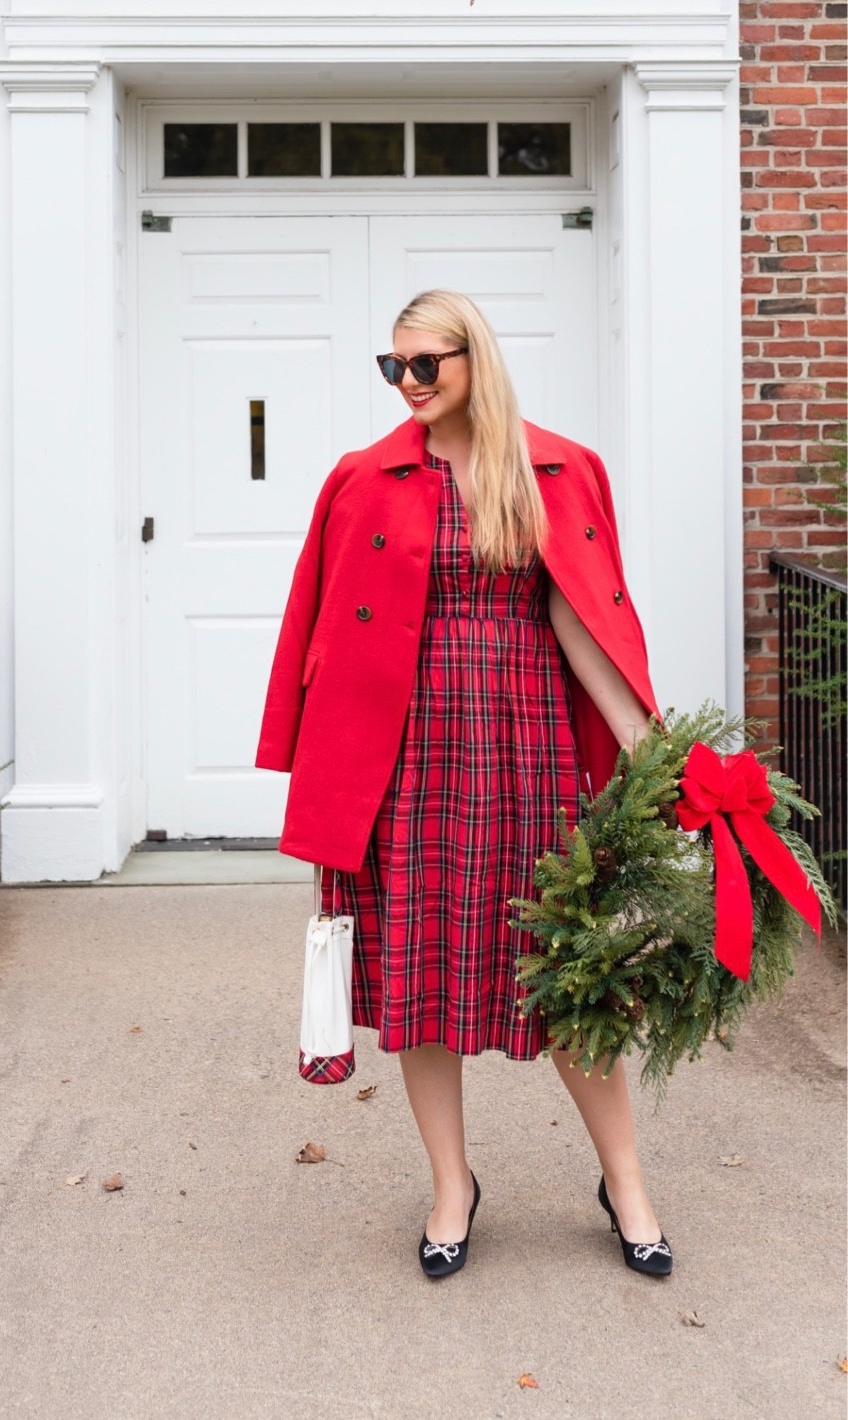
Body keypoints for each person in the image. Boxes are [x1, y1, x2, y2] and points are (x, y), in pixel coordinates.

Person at [256, 289, 673, 1280]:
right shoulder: (363, 478)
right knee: (420, 978)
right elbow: (315, 624)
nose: (407, 384)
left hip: (525, 750)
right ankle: (451, 1184)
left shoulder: (558, 469)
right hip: (403, 763)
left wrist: (643, 745)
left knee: (568, 971)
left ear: (473, 360)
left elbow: (580, 617)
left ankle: (624, 1182)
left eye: (424, 365)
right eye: (391, 367)